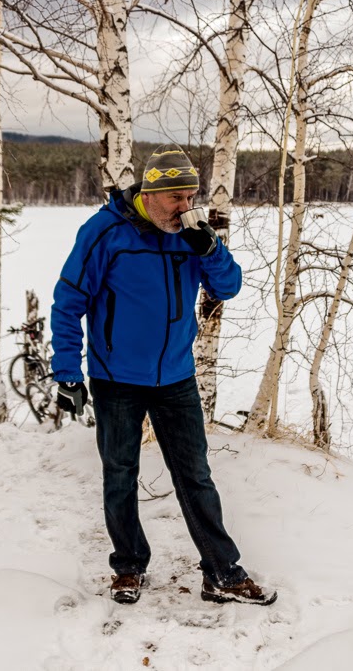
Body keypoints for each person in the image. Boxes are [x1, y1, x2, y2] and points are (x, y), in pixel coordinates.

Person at [50, 143, 277, 607]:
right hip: (117, 379)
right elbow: (68, 303)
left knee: (195, 475)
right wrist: (68, 372)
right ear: (150, 194)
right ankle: (128, 566)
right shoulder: (104, 232)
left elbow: (228, 287)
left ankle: (221, 574)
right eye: (176, 198)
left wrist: (211, 249)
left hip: (176, 377)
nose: (185, 207)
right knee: (120, 474)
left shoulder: (191, 234)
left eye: (190, 197)